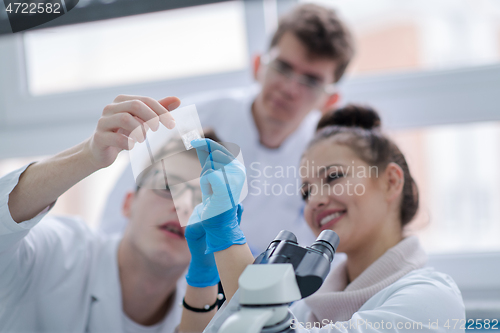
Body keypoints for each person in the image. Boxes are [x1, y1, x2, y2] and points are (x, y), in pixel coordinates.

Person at [177, 105, 466, 332]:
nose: (315, 199)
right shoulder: (307, 308)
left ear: (391, 181)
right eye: (306, 191)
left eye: (333, 177)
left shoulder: (432, 300)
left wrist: (227, 237)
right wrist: (204, 277)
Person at [99, 3, 356, 254]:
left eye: (311, 81)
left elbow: (327, 251)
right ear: (258, 66)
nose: (289, 89)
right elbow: (119, 220)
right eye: (282, 68)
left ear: (329, 101)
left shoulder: (328, 160)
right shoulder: (186, 123)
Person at [0, 95, 206, 332]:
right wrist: (87, 155)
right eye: (168, 187)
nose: (182, 208)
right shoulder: (58, 251)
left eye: (200, 200)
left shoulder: (203, 315)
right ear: (129, 203)